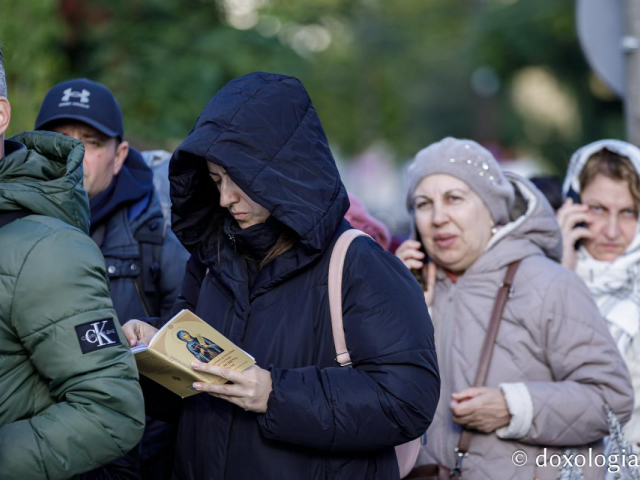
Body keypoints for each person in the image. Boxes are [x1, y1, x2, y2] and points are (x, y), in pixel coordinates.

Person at [123, 72, 440, 480]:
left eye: (238, 179)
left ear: (281, 172)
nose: (225, 198)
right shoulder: (211, 259)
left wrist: (275, 394)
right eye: (215, 181)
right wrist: (153, 348)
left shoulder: (360, 263)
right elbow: (188, 395)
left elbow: (407, 400)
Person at [395, 137, 633, 479]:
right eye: (423, 203)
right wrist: (399, 301)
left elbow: (613, 399)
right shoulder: (413, 287)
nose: (438, 217)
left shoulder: (549, 283)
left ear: (492, 208)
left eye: (454, 198)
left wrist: (514, 408)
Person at [0, 49, 145, 478]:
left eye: (93, 142)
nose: (80, 151)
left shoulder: (50, 248)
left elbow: (112, 410)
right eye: (64, 135)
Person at [34, 78, 189, 323]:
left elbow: (189, 334)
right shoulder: (10, 224)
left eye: (90, 142)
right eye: (59, 139)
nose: (73, 154)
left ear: (119, 156)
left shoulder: (157, 239)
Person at [558, 139, 640, 449]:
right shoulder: (536, 279)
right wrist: (560, 275)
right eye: (598, 209)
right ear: (571, 205)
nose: (612, 231)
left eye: (629, 212)